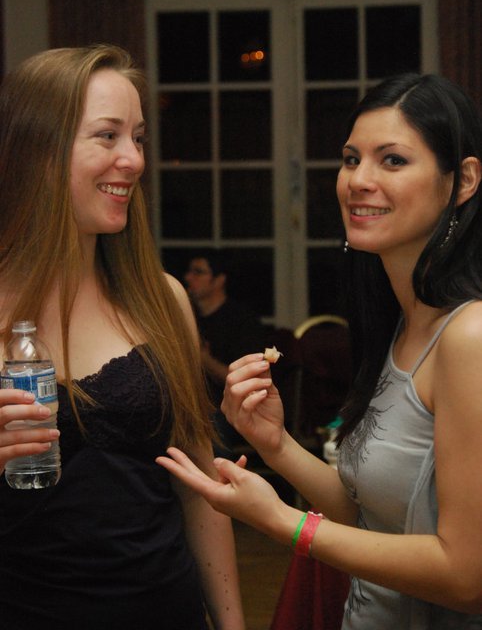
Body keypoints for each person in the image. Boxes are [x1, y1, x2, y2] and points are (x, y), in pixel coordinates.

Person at [157, 73, 482, 629]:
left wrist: (283, 522)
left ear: (464, 180)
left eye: (393, 160)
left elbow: (467, 576)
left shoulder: (468, 336)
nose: (360, 180)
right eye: (352, 159)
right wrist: (277, 445)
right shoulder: (403, 325)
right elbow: (371, 515)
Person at [0, 45, 245, 630]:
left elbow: (199, 486)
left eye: (138, 138)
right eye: (107, 136)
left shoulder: (161, 299)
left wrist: (232, 625)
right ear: (39, 151)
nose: (133, 160)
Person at [184, 249, 266, 454]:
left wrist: (203, 359)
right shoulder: (186, 318)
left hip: (229, 408)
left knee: (211, 425)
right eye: (190, 271)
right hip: (189, 404)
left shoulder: (242, 322)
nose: (188, 277)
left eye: (198, 272)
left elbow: (248, 383)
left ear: (219, 280)